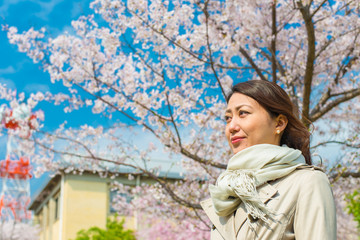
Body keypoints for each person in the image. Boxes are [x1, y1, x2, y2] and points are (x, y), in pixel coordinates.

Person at [200, 80, 337, 240]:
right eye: (228, 118)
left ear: (279, 123)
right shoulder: (226, 194)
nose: (232, 126)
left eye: (243, 113)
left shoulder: (308, 182)